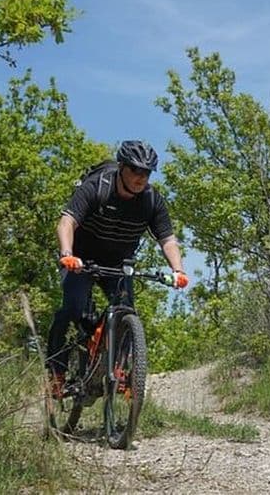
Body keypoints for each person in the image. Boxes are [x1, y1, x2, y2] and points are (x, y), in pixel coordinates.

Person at [47, 139, 188, 397]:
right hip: (81, 258)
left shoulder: (151, 201)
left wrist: (178, 271)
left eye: (146, 173)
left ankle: (121, 371)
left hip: (119, 263)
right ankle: (56, 372)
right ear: (121, 167)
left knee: (126, 311)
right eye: (135, 170)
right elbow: (66, 222)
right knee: (72, 308)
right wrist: (67, 254)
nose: (140, 178)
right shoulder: (97, 187)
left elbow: (167, 239)